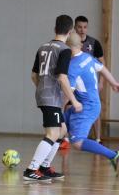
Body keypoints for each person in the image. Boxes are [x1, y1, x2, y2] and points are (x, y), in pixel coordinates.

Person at [23, 15, 82, 183]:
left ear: (55, 28)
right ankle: (31, 169)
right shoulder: (64, 50)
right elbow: (62, 78)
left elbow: (34, 75)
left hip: (44, 94)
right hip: (52, 97)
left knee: (62, 130)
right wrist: (74, 100)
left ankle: (44, 167)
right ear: (70, 32)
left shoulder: (42, 47)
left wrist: (42, 88)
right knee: (53, 133)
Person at [64, 32, 119, 175]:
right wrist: (113, 83)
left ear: (67, 47)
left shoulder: (72, 67)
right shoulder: (87, 57)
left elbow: (68, 94)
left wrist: (57, 107)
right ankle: (44, 165)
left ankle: (114, 155)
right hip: (93, 104)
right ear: (80, 45)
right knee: (58, 127)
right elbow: (102, 68)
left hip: (86, 107)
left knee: (77, 142)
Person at [74, 16, 105, 142]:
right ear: (75, 27)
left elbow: (102, 63)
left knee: (94, 109)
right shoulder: (70, 43)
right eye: (79, 27)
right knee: (68, 107)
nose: (82, 30)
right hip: (74, 81)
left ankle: (98, 138)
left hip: (89, 84)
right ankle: (66, 139)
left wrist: (101, 82)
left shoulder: (94, 43)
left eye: (85, 27)